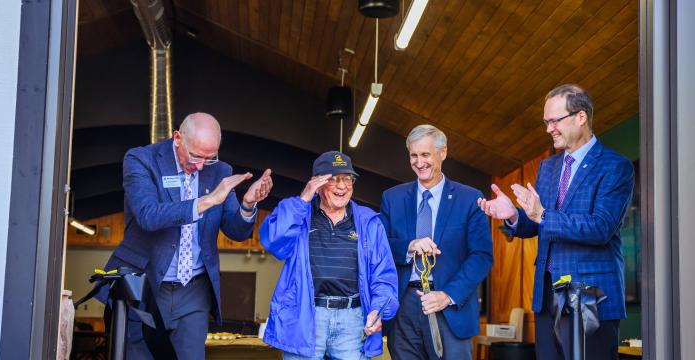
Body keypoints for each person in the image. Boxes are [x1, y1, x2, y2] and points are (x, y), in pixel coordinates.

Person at [477, 84, 634, 359]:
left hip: (591, 300)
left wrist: (542, 215)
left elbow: (600, 228)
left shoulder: (615, 166)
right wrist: (514, 215)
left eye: (554, 121)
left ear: (581, 117)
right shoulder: (549, 167)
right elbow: (539, 223)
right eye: (546, 122)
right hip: (547, 301)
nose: (549, 128)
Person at [100, 112, 273, 359]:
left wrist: (248, 205)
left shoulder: (220, 171)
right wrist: (207, 201)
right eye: (196, 156)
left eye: (209, 158)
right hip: (145, 287)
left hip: (193, 292)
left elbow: (236, 231)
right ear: (178, 138)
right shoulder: (142, 159)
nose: (201, 165)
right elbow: (148, 215)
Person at [260, 151, 399, 359]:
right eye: (334, 179)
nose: (342, 186)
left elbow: (383, 274)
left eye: (348, 179)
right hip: (306, 317)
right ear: (317, 183)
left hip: (352, 320)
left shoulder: (368, 222)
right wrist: (303, 198)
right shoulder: (299, 213)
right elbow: (274, 241)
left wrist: (378, 310)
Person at [379, 124, 493, 359]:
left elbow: (481, 256)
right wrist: (409, 246)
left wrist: (448, 295)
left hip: (450, 306)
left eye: (425, 155)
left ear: (443, 153)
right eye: (413, 155)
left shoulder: (470, 198)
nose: (419, 162)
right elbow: (380, 246)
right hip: (404, 307)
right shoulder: (392, 198)